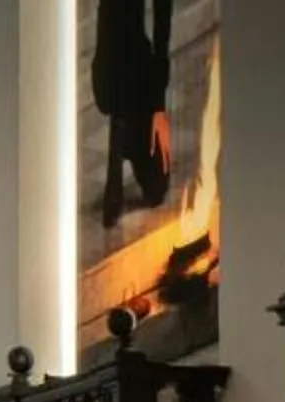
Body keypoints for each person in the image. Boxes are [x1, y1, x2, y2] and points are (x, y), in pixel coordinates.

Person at [91, 0, 174, 230]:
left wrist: (158, 106)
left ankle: (126, 140)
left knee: (157, 189)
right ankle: (117, 158)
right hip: (112, 69)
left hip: (137, 70)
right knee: (156, 187)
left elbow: (161, 24)